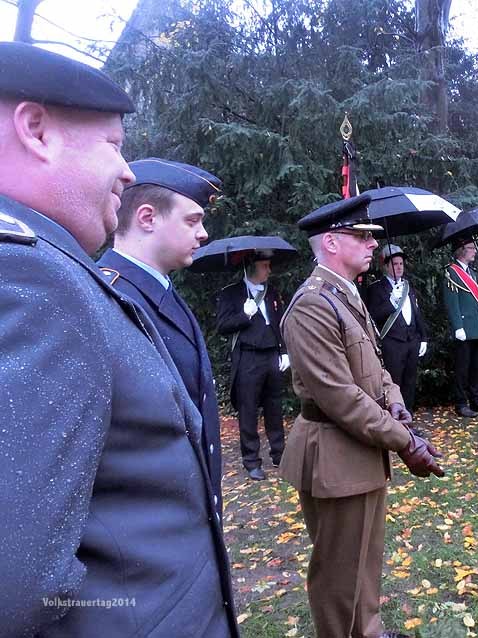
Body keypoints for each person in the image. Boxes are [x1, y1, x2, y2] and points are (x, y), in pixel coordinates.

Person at [0, 42, 237, 637]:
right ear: (36, 131)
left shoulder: (49, 267)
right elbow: (15, 584)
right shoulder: (32, 276)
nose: (128, 172)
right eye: (113, 144)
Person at [280, 194, 444, 638]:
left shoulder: (345, 294)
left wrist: (394, 399)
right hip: (334, 454)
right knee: (339, 572)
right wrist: (406, 441)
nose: (373, 244)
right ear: (332, 243)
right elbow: (341, 398)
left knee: (365, 559)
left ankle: (367, 631)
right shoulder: (313, 304)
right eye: (362, 236)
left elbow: (374, 365)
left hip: (359, 450)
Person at [97, 158, 226, 513]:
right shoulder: (106, 299)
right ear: (147, 218)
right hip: (144, 520)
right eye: (192, 221)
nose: (203, 233)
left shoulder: (157, 290)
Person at [216, 251, 286, 480]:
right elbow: (222, 326)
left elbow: (280, 323)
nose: (269, 270)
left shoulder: (271, 292)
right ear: (251, 266)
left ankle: (279, 454)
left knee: (274, 407)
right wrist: (244, 315)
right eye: (264, 265)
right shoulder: (231, 293)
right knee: (248, 409)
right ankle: (252, 461)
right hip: (248, 357)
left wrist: (284, 351)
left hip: (272, 355)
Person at [365, 244, 429, 412]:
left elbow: (416, 313)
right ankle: (394, 420)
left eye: (401, 264)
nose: (399, 267)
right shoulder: (376, 288)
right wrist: (391, 302)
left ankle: (408, 417)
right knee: (394, 383)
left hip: (412, 340)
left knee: (410, 382)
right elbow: (372, 316)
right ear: (386, 266)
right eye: (394, 264)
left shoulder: (408, 286)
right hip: (392, 343)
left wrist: (423, 338)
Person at [443, 237, 478, 417]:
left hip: (477, 326)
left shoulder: (472, 272)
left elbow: (477, 298)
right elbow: (451, 301)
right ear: (461, 250)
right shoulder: (451, 272)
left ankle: (475, 399)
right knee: (462, 368)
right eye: (471, 248)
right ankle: (461, 403)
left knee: (477, 367)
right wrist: (458, 326)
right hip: (464, 328)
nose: (475, 251)